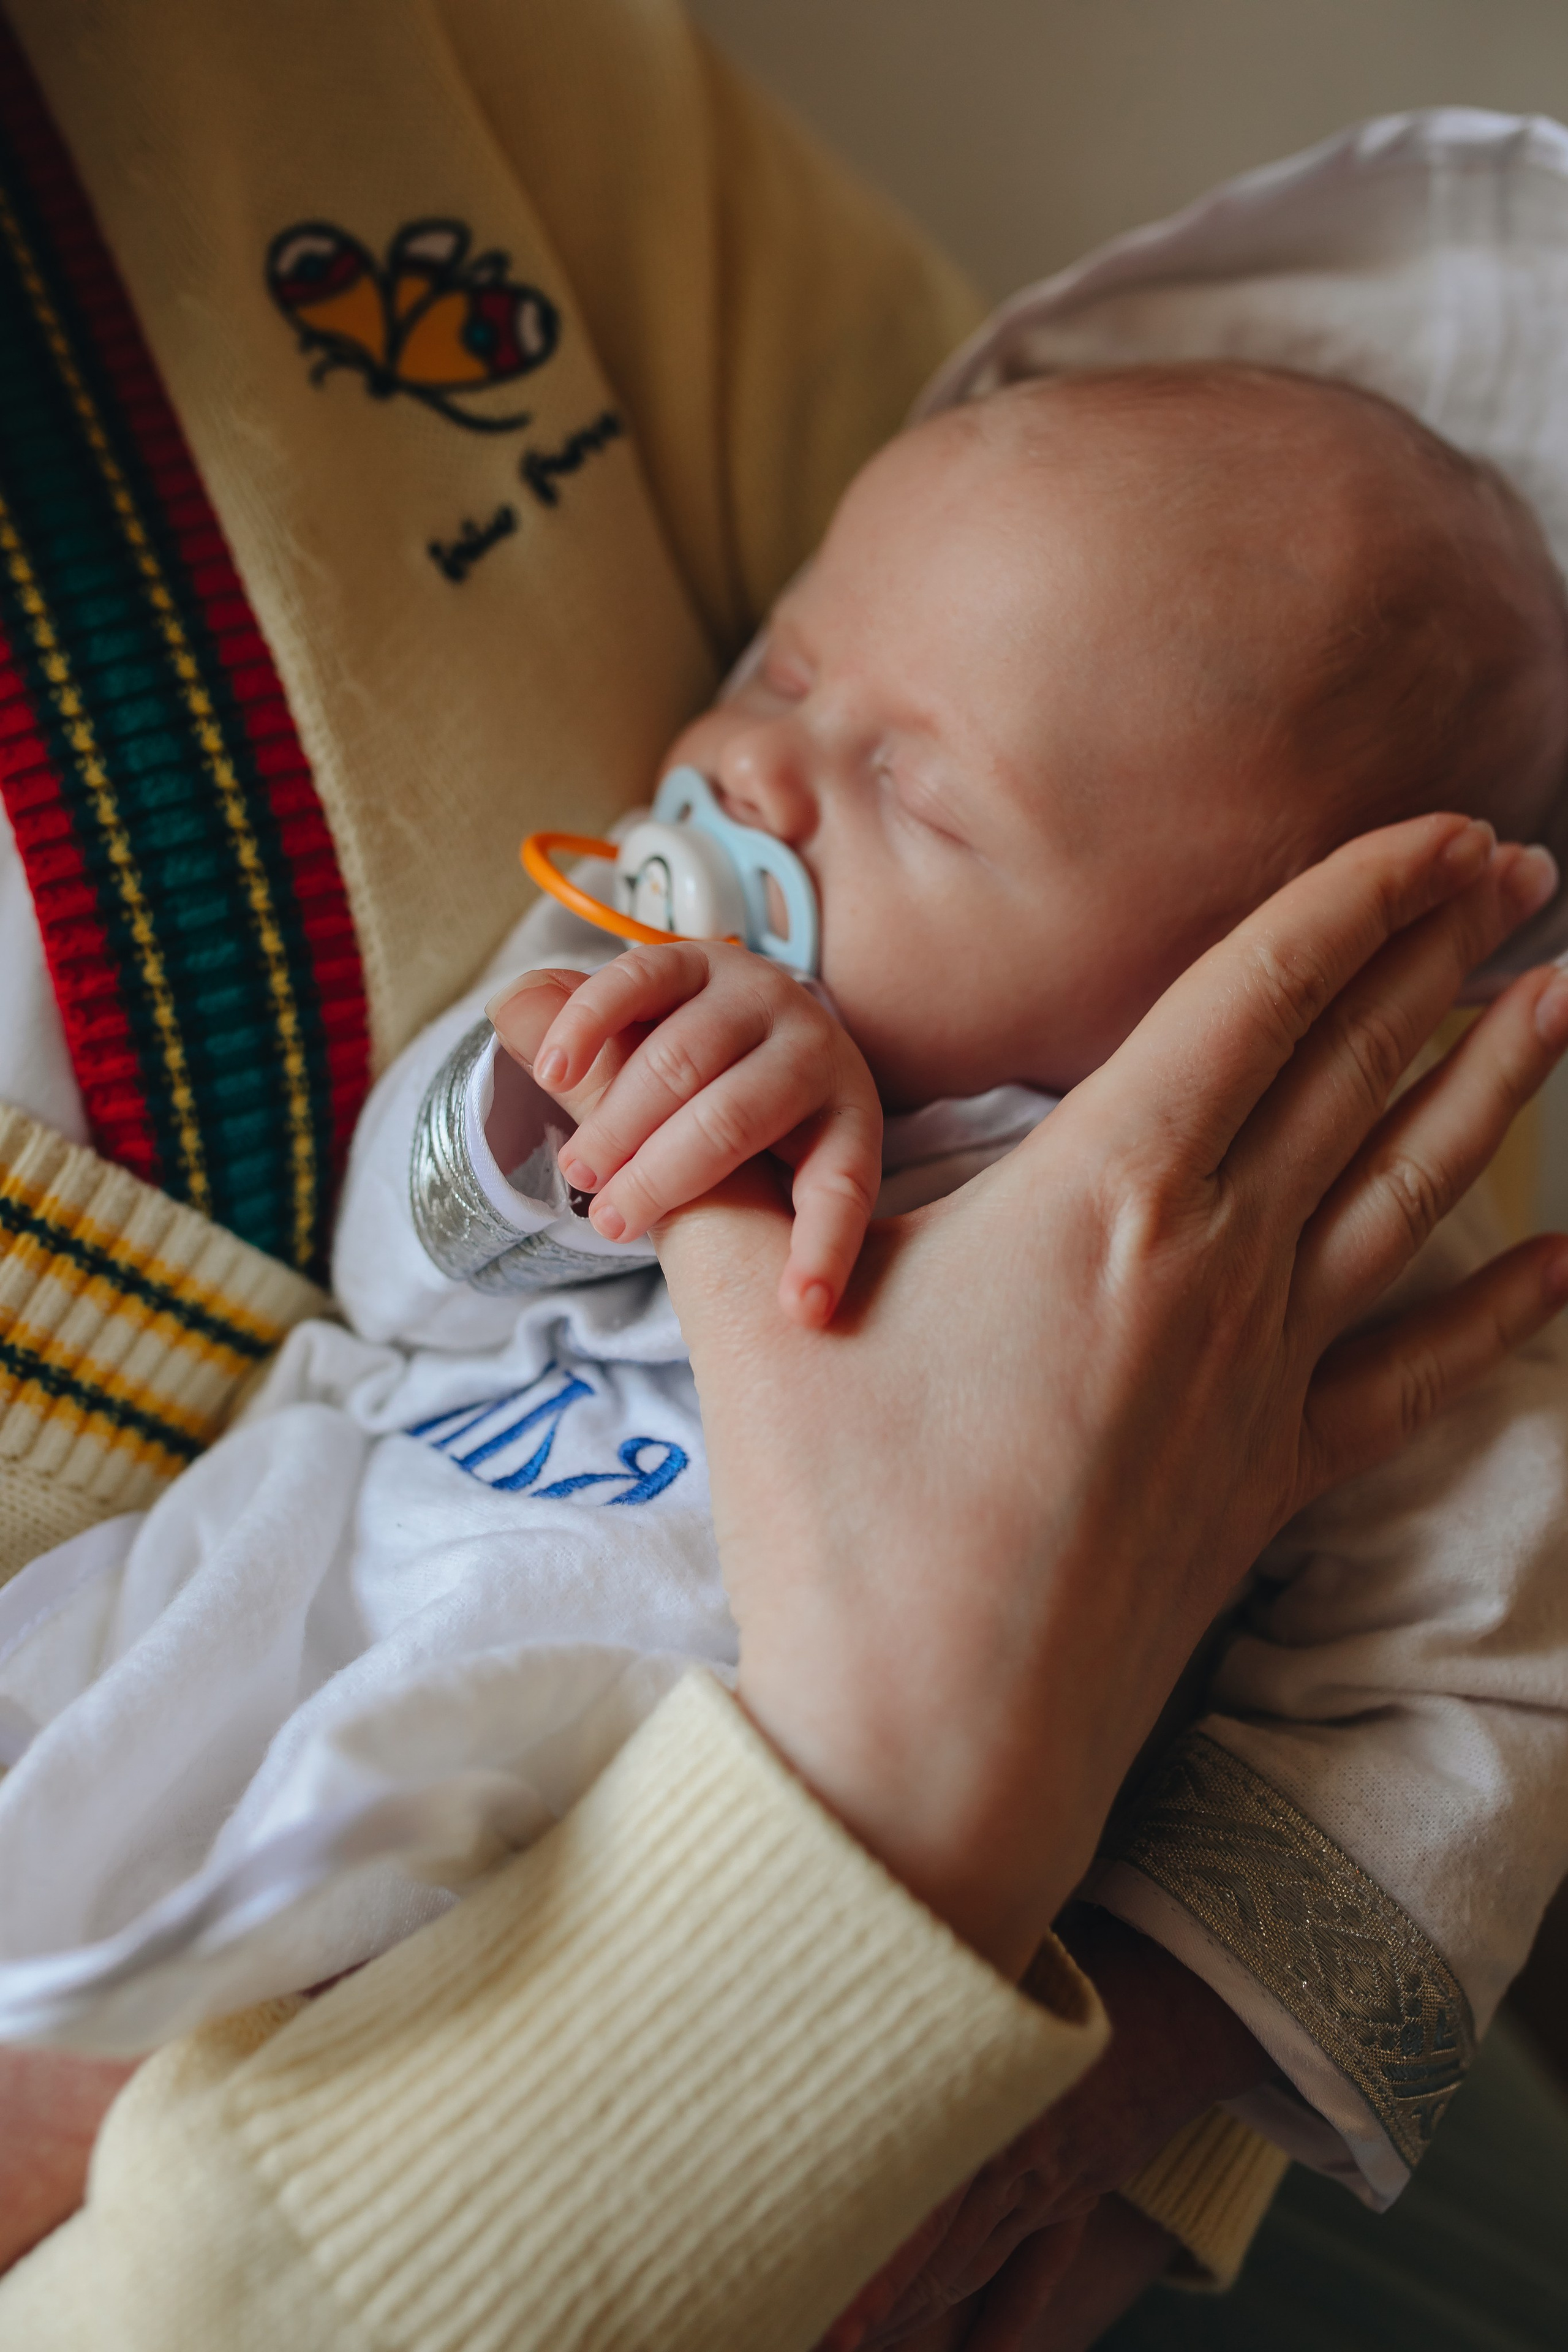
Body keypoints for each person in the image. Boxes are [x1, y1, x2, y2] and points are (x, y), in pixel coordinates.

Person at [2, 810, 1565, 2348]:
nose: (749, 777)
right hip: (280, 1644)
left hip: (650, 1953)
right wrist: (563, 1108)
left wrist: (1139, 2061)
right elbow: (391, 1279)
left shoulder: (1332, 1257)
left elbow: (1480, 1704)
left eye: (915, 789)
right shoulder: (653, 955)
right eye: (774, 682)